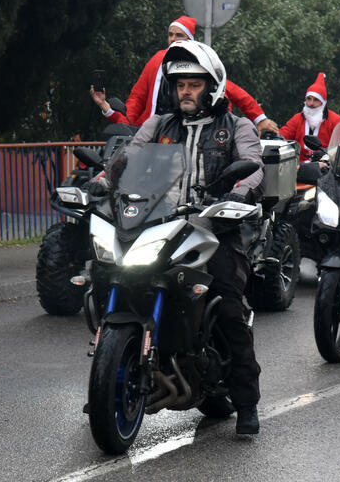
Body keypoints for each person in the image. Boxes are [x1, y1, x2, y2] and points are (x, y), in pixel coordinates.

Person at [100, 40, 264, 435]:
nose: (185, 91)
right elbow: (127, 157)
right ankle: (107, 383)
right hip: (158, 225)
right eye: (180, 85)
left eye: (194, 84)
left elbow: (254, 166)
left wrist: (239, 192)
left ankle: (246, 405)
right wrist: (104, 179)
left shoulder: (236, 126)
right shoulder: (158, 123)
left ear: (213, 86)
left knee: (227, 309)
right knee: (108, 275)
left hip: (213, 229)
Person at [89, 16, 277, 133]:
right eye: (170, 34)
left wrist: (260, 119)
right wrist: (109, 109)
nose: (172, 39)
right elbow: (137, 99)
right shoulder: (157, 60)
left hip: (195, 132)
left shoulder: (200, 60)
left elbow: (233, 90)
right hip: (154, 136)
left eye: (178, 35)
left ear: (190, 38)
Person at [278, 72, 340, 162]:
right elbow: (283, 134)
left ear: (323, 102)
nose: (311, 103)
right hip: (298, 167)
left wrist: (327, 152)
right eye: (309, 99)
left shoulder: (335, 120)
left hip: (325, 167)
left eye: (316, 100)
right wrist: (275, 136)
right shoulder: (298, 118)